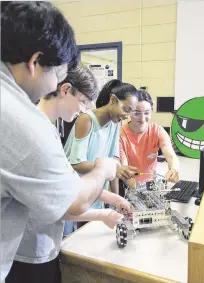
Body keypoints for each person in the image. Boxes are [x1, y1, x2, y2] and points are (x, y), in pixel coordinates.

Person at [1, 2, 118, 281]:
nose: (54, 86)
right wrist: (103, 168)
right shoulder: (21, 119)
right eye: (58, 75)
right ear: (35, 62)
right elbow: (72, 201)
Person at [5, 65, 133, 283]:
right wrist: (102, 170)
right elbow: (65, 202)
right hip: (28, 253)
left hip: (43, 247)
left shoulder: (48, 129)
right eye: (83, 101)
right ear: (65, 90)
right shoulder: (36, 133)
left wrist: (110, 200)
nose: (83, 110)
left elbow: (65, 186)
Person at [64, 79, 139, 218]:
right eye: (126, 109)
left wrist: (117, 200)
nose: (126, 116)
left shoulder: (115, 123)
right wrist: (113, 169)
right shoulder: (86, 120)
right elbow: (75, 164)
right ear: (112, 100)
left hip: (96, 193)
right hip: (75, 193)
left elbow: (114, 162)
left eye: (130, 113)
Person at [119, 88, 180, 190]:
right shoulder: (121, 135)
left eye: (147, 113)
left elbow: (171, 156)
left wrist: (173, 170)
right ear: (129, 112)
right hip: (128, 187)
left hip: (151, 184)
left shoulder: (157, 130)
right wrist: (140, 191)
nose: (142, 119)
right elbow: (125, 171)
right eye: (137, 113)